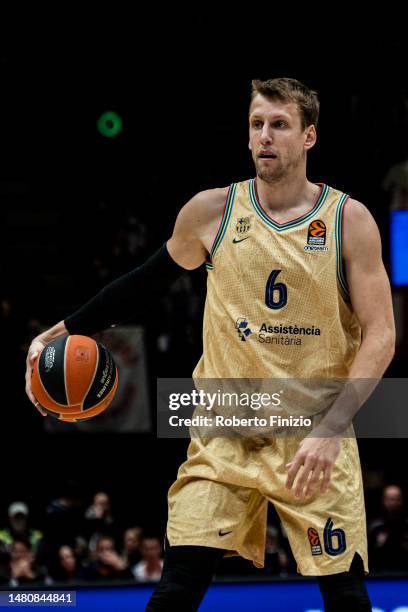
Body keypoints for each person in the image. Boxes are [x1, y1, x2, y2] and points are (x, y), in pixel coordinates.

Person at [25, 78, 395, 611]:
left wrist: (333, 427)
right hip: (227, 427)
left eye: (280, 125)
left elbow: (381, 334)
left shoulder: (348, 220)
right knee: (177, 587)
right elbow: (145, 282)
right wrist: (68, 327)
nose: (265, 136)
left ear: (309, 136)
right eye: (256, 125)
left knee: (346, 596)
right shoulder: (211, 212)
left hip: (313, 430)